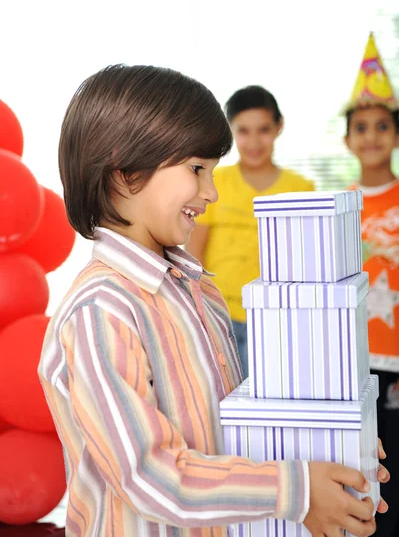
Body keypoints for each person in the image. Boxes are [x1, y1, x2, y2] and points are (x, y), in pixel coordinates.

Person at [38, 64, 386, 537]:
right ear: (125, 171)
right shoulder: (101, 311)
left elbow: (231, 431)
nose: (212, 193)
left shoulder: (199, 289)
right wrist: (297, 491)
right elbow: (148, 476)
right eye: (197, 169)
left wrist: (336, 445)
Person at [186, 86, 315, 376]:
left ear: (279, 127)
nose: (254, 141)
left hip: (280, 317)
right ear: (230, 130)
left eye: (264, 129)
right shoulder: (213, 181)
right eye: (243, 131)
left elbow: (307, 259)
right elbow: (195, 250)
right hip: (223, 316)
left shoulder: (301, 188)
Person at [344, 32, 399, 537]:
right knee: (365, 477)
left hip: (398, 357)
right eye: (361, 127)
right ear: (347, 140)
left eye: (383, 126)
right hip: (357, 362)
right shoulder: (341, 206)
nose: (372, 136)